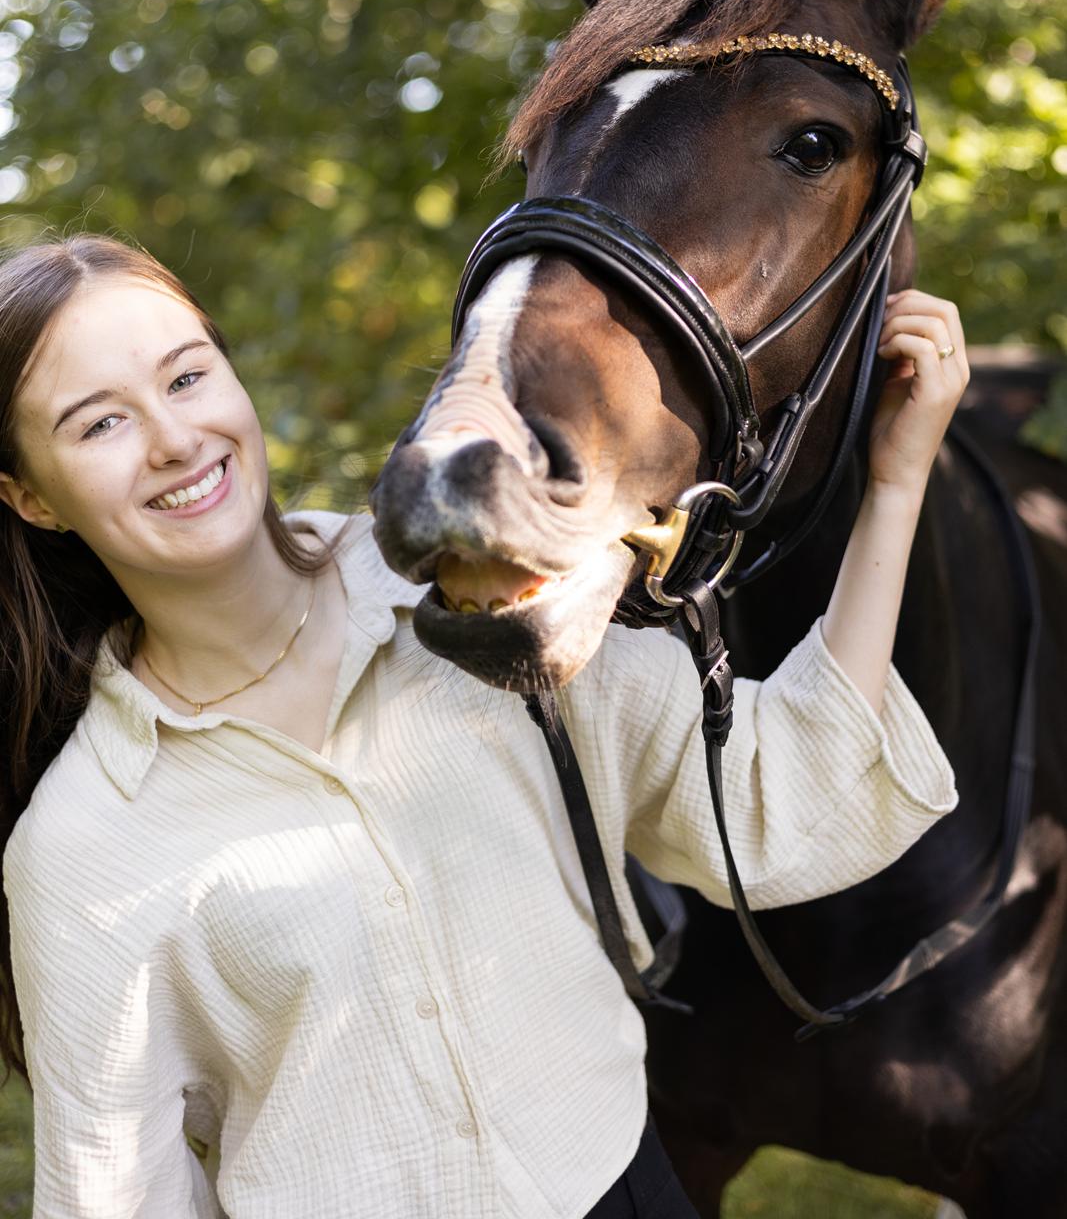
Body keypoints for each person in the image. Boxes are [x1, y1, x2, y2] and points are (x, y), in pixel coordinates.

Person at [0, 232, 966, 1219]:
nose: (171, 437)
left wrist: (891, 483)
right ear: (30, 494)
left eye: (186, 376)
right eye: (98, 424)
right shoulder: (78, 848)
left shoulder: (488, 601)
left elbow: (777, 793)